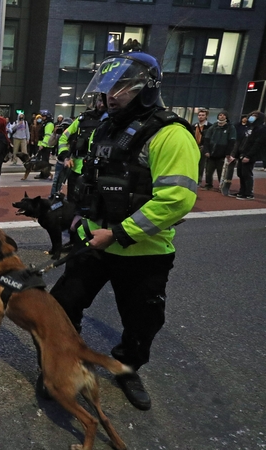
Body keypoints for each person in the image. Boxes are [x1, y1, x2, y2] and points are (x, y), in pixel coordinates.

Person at [49, 52, 199, 412]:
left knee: (142, 321)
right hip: (93, 242)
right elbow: (89, 179)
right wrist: (78, 222)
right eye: (107, 88)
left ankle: (127, 368)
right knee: (63, 305)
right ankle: (65, 361)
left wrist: (117, 234)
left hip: (142, 252)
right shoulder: (104, 126)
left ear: (146, 90)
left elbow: (176, 199)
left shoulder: (170, 135)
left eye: (121, 87)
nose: (110, 95)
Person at [58, 95, 106, 201]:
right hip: (76, 170)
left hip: (100, 173)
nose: (102, 104)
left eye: (105, 101)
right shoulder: (83, 118)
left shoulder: (114, 120)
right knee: (72, 204)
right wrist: (65, 156)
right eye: (100, 100)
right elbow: (63, 138)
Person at [231, 111, 266, 200]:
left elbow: (257, 144)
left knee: (246, 174)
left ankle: (248, 193)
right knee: (240, 173)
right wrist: (236, 154)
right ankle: (242, 191)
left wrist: (249, 156)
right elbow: (242, 141)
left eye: (255, 116)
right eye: (252, 115)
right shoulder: (249, 127)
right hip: (242, 153)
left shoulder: (261, 129)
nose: (252, 117)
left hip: (250, 155)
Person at [201, 111, 236, 191]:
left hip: (222, 154)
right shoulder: (213, 127)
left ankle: (222, 186)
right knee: (208, 172)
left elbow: (232, 141)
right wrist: (206, 151)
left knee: (221, 172)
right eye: (220, 115)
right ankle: (208, 184)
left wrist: (228, 153)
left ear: (226, 117)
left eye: (223, 115)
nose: (222, 116)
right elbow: (206, 140)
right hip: (211, 153)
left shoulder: (230, 128)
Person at [193, 108, 210, 183]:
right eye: (199, 115)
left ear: (206, 116)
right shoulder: (194, 126)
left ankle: (199, 180)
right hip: (194, 147)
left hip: (203, 147)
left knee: (201, 165)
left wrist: (206, 148)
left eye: (203, 115)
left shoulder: (210, 127)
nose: (201, 117)